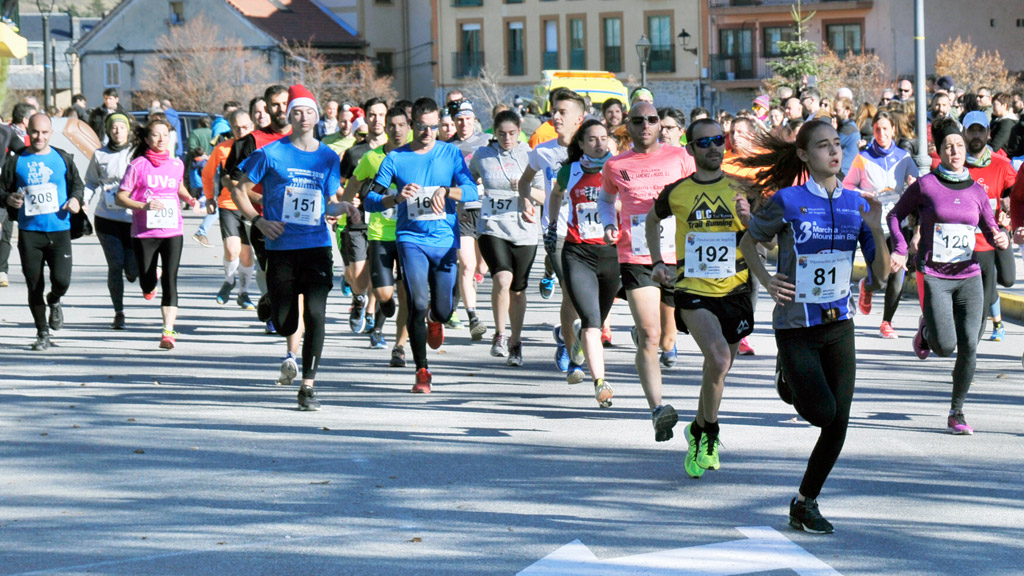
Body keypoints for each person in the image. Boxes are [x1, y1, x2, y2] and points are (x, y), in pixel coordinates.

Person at [739, 119, 890, 534]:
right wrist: (767, 280)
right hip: (795, 326)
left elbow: (880, 276)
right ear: (805, 155)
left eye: (837, 145)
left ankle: (805, 502)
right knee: (822, 412)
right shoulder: (786, 201)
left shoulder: (858, 204)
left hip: (839, 324)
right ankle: (786, 375)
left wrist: (876, 226)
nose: (834, 152)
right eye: (823, 146)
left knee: (838, 422)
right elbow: (750, 242)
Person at [232, 84, 360, 411]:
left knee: (316, 314)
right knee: (286, 323)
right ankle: (273, 303)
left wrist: (342, 208)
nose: (303, 117)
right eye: (297, 112)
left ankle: (308, 386)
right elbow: (239, 190)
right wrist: (258, 222)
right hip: (281, 249)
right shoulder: (271, 153)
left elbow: (328, 204)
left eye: (309, 112)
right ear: (290, 116)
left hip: (317, 246)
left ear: (317, 117)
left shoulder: (328, 157)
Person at [888, 118, 1009, 435]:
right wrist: (901, 247)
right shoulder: (926, 185)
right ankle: (927, 332)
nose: (955, 150)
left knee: (970, 344)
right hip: (935, 276)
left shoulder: (976, 191)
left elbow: (989, 226)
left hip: (969, 275)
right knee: (945, 347)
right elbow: (895, 214)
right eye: (948, 146)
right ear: (939, 152)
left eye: (958, 144)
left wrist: (1000, 237)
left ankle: (957, 412)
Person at [648, 118, 753, 467]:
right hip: (692, 289)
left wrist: (750, 220)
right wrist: (657, 261)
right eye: (704, 142)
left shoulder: (741, 187)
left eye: (718, 140)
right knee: (719, 358)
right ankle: (709, 434)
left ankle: (698, 428)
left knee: (717, 369)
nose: (713, 147)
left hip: (736, 289)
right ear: (690, 149)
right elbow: (652, 220)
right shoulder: (677, 191)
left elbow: (762, 240)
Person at [365, 97, 479, 394]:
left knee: (442, 310)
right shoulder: (395, 158)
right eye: (422, 126)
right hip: (411, 239)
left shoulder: (451, 154)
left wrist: (447, 190)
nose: (428, 132)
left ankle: (435, 319)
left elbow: (470, 189)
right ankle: (422, 370)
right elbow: (371, 200)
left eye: (434, 126)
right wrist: (396, 197)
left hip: (444, 240)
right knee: (415, 302)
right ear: (412, 123)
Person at [598, 101, 695, 411]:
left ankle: (648, 338)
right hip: (636, 256)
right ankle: (657, 409)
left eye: (651, 119)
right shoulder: (615, 165)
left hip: (677, 255)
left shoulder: (680, 157)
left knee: (668, 340)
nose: (645, 126)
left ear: (659, 124)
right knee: (651, 335)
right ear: (629, 125)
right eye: (638, 121)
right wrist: (610, 223)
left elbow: (698, 191)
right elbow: (605, 199)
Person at [544, 119, 620, 403]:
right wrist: (552, 227)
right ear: (580, 143)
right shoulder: (569, 171)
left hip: (611, 254)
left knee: (596, 322)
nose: (599, 143)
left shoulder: (618, 169)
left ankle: (576, 347)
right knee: (590, 320)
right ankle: (600, 383)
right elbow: (555, 195)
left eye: (603, 138)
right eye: (592, 139)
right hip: (578, 253)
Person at [0, 114, 85, 350]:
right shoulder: (16, 161)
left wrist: (76, 199)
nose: (39, 137)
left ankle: (55, 299)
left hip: (59, 229)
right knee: (34, 285)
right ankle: (42, 333)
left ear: (51, 133)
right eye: (36, 132)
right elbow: (1, 191)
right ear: (29, 131)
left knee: (62, 281)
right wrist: (9, 199)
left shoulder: (62, 158)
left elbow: (77, 184)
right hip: (30, 232)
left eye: (44, 132)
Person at [518, 89, 586, 373]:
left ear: (579, 119)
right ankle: (572, 357)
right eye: (554, 111)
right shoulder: (543, 151)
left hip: (591, 234)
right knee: (571, 293)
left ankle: (564, 335)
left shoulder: (595, 151)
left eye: (562, 112)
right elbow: (524, 182)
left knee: (592, 300)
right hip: (557, 232)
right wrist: (525, 200)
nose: (555, 117)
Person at [115, 117, 198, 349]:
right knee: (146, 282)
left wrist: (189, 198)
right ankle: (151, 281)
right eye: (155, 135)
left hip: (173, 230)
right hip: (144, 232)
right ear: (146, 139)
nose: (161, 139)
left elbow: (177, 185)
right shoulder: (137, 165)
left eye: (165, 134)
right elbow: (120, 197)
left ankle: (168, 332)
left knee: (171, 281)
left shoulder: (177, 164)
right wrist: (143, 206)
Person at [471, 110, 543, 365]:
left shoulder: (531, 155)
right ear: (494, 131)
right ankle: (499, 335)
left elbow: (546, 196)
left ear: (520, 129)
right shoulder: (483, 155)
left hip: (524, 229)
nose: (507, 138)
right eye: (501, 134)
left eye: (512, 133)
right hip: (492, 226)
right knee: (502, 278)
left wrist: (526, 189)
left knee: (518, 290)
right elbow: (469, 181)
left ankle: (516, 340)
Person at [843, 110, 918, 338]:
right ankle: (868, 285)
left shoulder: (904, 157)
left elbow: (917, 184)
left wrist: (914, 184)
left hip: (898, 222)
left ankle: (887, 322)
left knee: (898, 274)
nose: (882, 133)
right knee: (881, 278)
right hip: (873, 224)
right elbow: (847, 186)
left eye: (886, 128)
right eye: (877, 129)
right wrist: (865, 194)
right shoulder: (862, 157)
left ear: (894, 130)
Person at [226, 85, 293, 339]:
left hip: (299, 221)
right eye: (275, 104)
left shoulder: (303, 136)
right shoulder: (252, 141)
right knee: (273, 269)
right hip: (265, 221)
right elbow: (232, 182)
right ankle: (276, 308)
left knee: (293, 272)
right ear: (266, 107)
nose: (281, 109)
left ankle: (281, 307)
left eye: (285, 103)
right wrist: (261, 199)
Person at [347, 107, 412, 363]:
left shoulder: (417, 156)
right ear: (385, 128)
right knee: (384, 294)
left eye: (401, 125)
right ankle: (384, 308)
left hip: (410, 234)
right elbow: (353, 182)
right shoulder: (372, 158)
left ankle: (399, 346)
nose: (396, 130)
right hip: (378, 232)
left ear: (409, 128)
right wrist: (344, 208)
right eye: (391, 126)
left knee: (405, 292)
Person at [960, 111, 1017, 341]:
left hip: (996, 235)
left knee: (1008, 279)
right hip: (968, 243)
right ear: (964, 133)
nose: (976, 135)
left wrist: (1009, 217)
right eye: (971, 130)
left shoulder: (1001, 165)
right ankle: (969, 352)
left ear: (988, 133)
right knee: (979, 304)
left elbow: (1016, 198)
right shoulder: (956, 162)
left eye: (980, 130)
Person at [338, 98, 389, 338]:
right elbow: (340, 186)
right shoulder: (354, 152)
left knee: (381, 279)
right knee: (360, 280)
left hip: (388, 222)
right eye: (372, 115)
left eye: (381, 114)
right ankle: (358, 300)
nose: (377, 119)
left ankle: (373, 321)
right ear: (365, 118)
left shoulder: (398, 149)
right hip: (358, 221)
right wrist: (349, 200)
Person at [85, 113, 136, 329]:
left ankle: (143, 272)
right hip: (107, 218)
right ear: (108, 130)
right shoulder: (99, 155)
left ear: (127, 130)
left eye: (121, 127)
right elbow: (90, 182)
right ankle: (119, 312)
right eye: (113, 127)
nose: (117, 131)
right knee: (115, 264)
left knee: (132, 272)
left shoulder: (137, 154)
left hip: (134, 218)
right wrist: (84, 200)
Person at [204, 109, 258, 310]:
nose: (241, 131)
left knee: (246, 254)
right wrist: (209, 197)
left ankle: (243, 293)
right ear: (231, 128)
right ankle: (229, 280)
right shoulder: (222, 149)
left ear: (251, 126)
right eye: (237, 128)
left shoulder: (258, 148)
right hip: (228, 204)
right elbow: (207, 174)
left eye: (245, 127)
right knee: (231, 249)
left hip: (251, 206)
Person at [448, 98, 493, 338]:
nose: (464, 124)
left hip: (486, 208)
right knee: (466, 264)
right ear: (454, 122)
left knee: (482, 266)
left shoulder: (487, 142)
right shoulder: (448, 147)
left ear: (474, 120)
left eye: (468, 119)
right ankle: (473, 316)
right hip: (462, 209)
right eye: (459, 120)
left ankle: (474, 282)